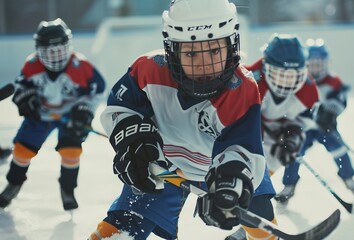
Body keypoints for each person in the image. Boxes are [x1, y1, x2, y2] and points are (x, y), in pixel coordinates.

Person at [89, 0, 278, 239]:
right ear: (173, 50)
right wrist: (134, 141)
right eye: (191, 52)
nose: (204, 65)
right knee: (124, 223)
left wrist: (230, 180)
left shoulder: (241, 88)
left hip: (223, 169)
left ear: (231, 46)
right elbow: (120, 109)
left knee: (260, 218)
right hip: (163, 168)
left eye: (214, 50)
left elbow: (242, 147)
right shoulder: (147, 71)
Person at [0, 18, 106, 211]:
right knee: (22, 151)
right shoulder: (32, 65)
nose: (56, 57)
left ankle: (68, 189)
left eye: (60, 50)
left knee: (71, 152)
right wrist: (25, 100)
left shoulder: (81, 66)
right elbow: (21, 87)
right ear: (40, 50)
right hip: (40, 116)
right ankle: (13, 184)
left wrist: (84, 113)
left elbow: (97, 91)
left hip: (70, 118)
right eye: (51, 51)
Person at [225, 34, 319, 240]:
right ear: (266, 68)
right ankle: (255, 223)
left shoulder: (309, 90)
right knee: (253, 170)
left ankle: (251, 224)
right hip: (251, 129)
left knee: (275, 160)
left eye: (292, 76)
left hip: (277, 128)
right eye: (280, 74)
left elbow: (305, 120)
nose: (286, 82)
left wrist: (292, 134)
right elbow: (241, 120)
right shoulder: (249, 79)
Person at [275, 40, 354, 204]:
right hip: (304, 128)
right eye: (312, 64)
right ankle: (289, 185)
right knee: (294, 154)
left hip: (325, 128)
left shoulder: (333, 81)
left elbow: (341, 101)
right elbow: (290, 103)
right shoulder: (300, 80)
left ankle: (348, 178)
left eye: (319, 64)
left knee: (339, 150)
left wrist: (330, 113)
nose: (316, 68)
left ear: (326, 64)